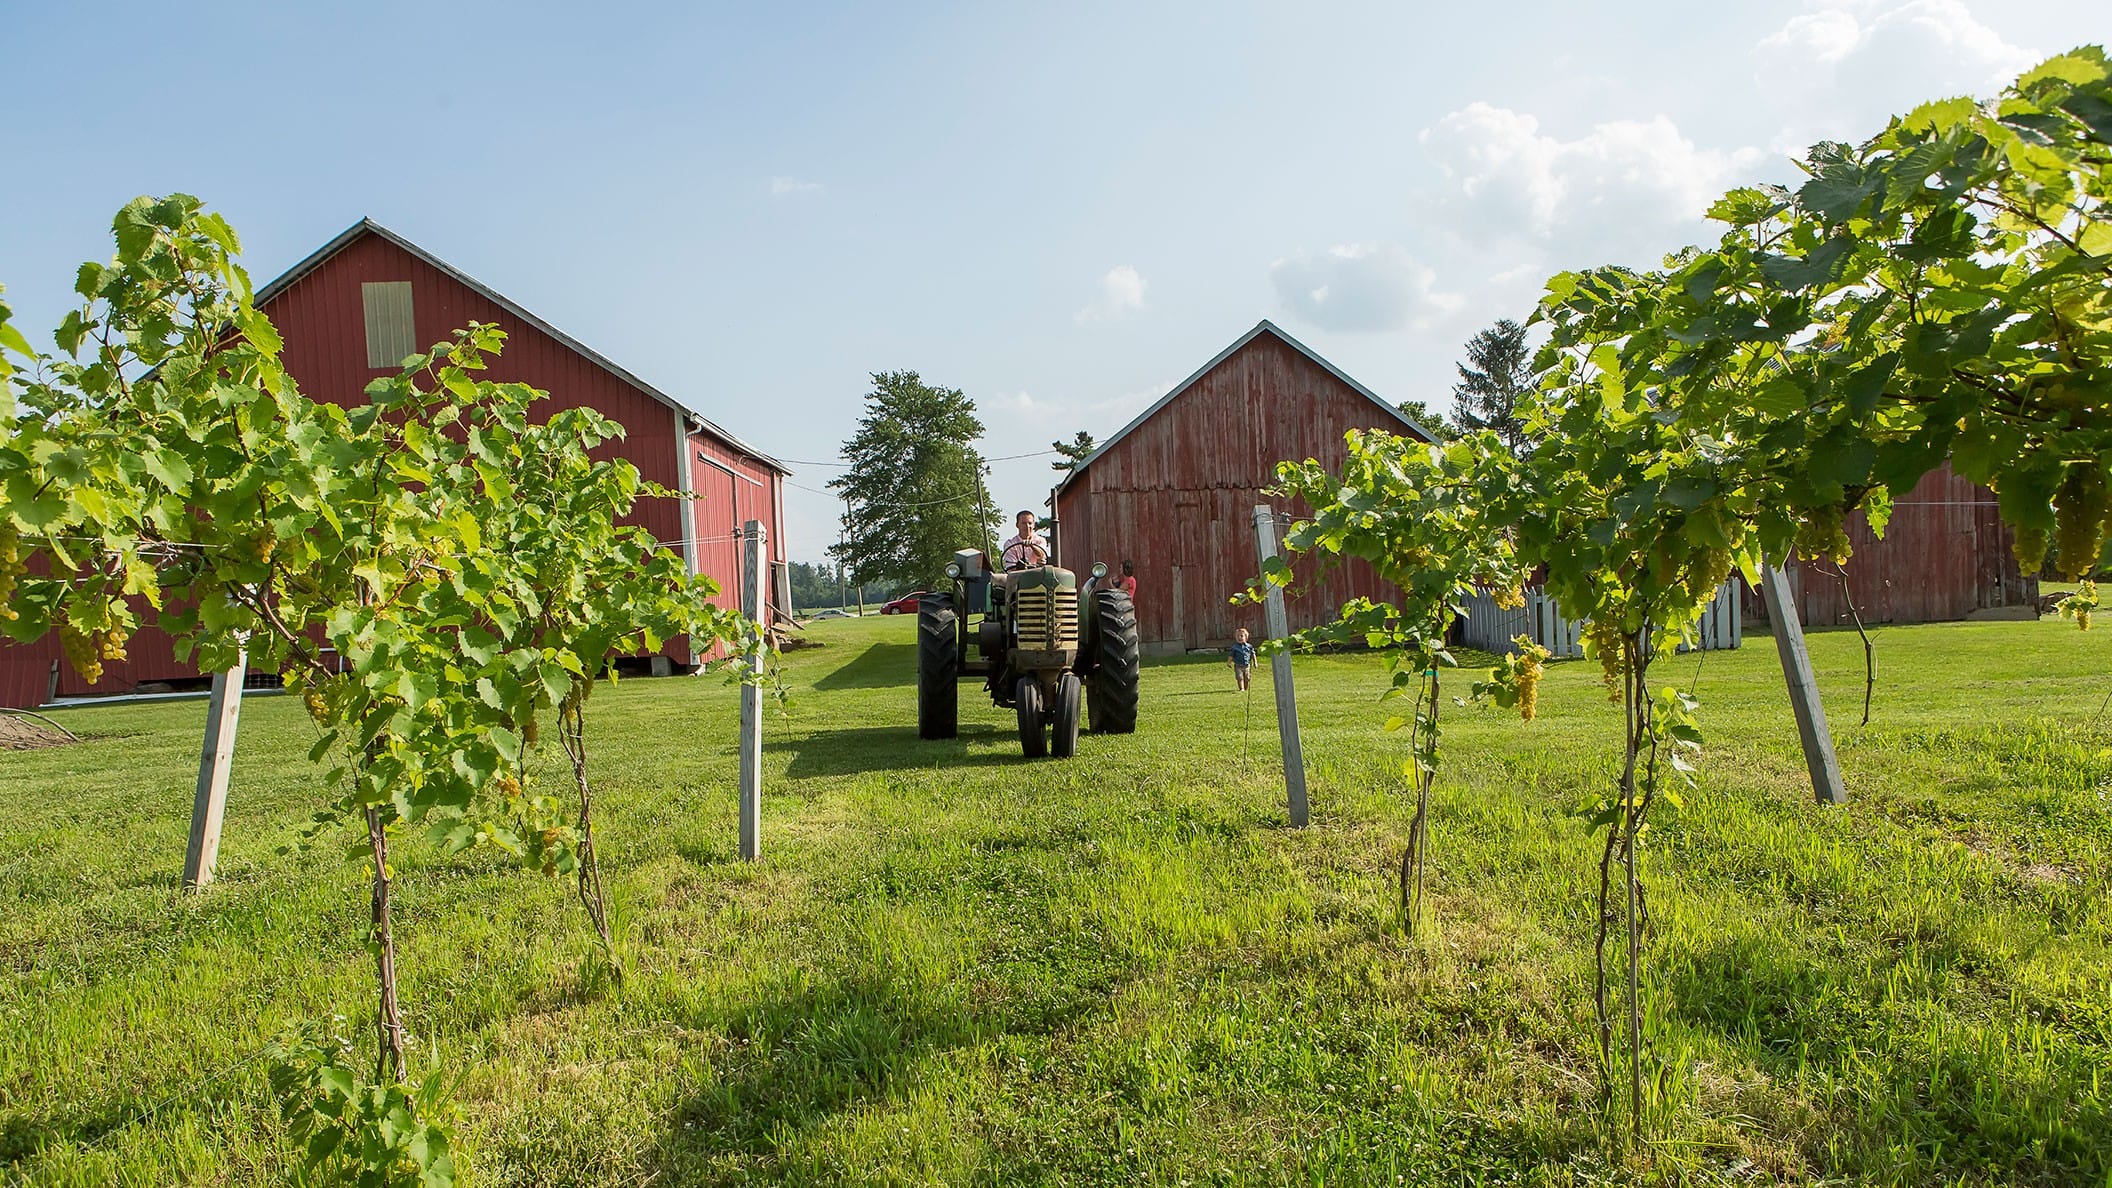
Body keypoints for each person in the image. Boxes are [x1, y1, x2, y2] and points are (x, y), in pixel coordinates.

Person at [1228, 627, 1257, 691]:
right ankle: (1242, 689)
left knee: (1247, 678)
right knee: (1240, 677)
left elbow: (1253, 654)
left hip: (1247, 665)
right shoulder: (1235, 647)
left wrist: (1255, 662)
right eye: (1237, 636)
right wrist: (1229, 662)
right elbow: (1231, 656)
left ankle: (1246, 688)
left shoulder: (1249, 646)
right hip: (1238, 665)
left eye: (1241, 636)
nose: (1239, 638)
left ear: (1246, 637)